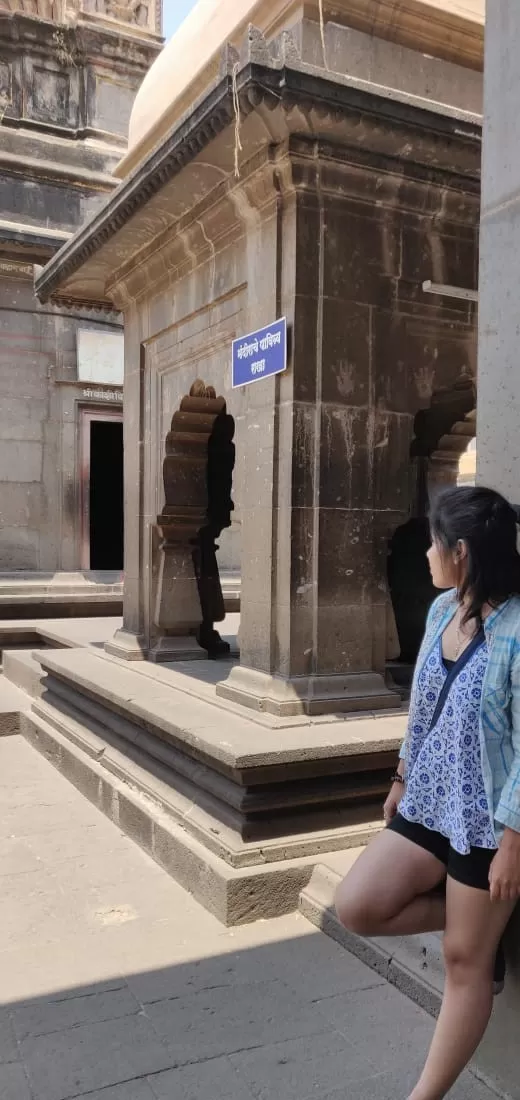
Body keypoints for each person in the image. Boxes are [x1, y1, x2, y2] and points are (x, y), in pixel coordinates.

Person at [335, 486, 520, 1100]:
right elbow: (422, 705)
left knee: (462, 963)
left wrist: (515, 842)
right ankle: (483, 930)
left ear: (460, 551)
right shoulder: (444, 610)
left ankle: (423, 1095)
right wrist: (402, 775)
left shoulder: (519, 630)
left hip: (491, 823)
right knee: (357, 905)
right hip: (430, 799)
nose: (426, 555)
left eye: (433, 543)